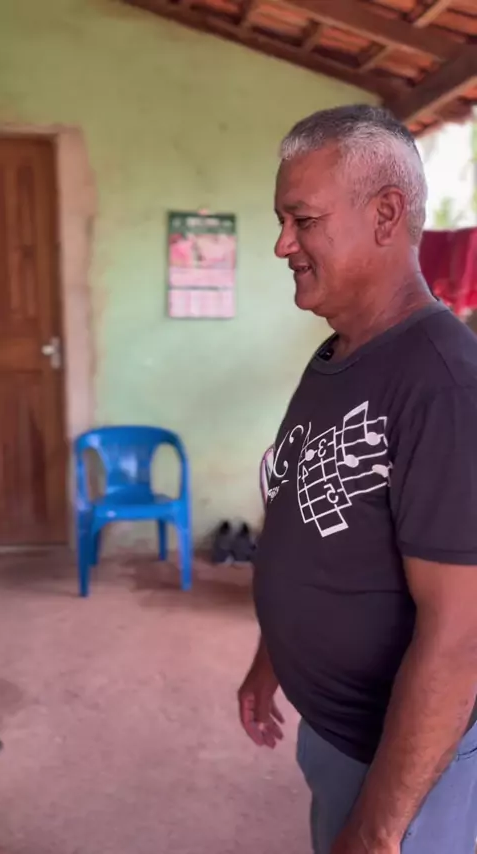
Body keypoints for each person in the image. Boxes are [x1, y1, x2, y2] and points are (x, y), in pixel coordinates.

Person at [237, 104, 477, 854]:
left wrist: (377, 830)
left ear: (386, 214)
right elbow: (312, 517)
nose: (283, 244)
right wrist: (272, 658)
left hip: (408, 768)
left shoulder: (443, 386)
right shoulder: (340, 356)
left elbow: (461, 636)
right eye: (282, 221)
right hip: (335, 733)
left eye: (302, 220)